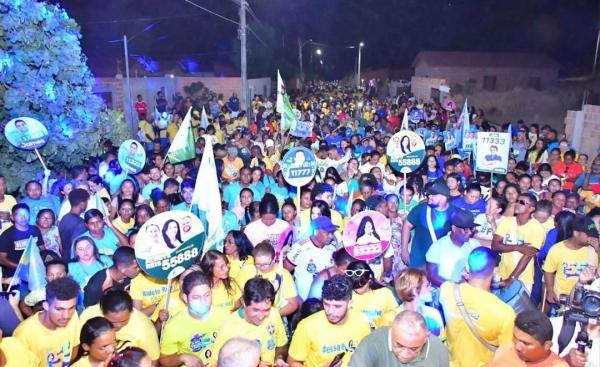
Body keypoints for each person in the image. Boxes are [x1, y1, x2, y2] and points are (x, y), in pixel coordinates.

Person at [439, 247, 516, 367]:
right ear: (495, 271)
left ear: (467, 268)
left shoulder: (447, 290)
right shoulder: (505, 313)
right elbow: (507, 358)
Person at [287, 275, 371, 367]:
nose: (330, 311)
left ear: (349, 304)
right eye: (326, 304)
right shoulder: (307, 326)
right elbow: (292, 362)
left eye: (337, 306)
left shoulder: (362, 321)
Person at [211, 277, 288, 366]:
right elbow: (216, 363)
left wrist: (279, 358)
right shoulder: (229, 327)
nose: (261, 316)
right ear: (243, 302)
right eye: (255, 310)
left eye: (266, 310)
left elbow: (281, 345)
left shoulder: (274, 314)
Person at [160, 271, 229, 367]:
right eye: (196, 297)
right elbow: (164, 360)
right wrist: (183, 357)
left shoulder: (224, 315)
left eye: (207, 295)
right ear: (185, 298)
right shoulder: (173, 326)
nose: (203, 302)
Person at [79, 289, 160, 364]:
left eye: (124, 320)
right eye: (113, 321)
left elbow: (152, 361)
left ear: (131, 311)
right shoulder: (88, 315)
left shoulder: (145, 328)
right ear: (102, 313)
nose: (118, 326)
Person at [13, 277, 80, 366]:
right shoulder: (24, 334)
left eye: (71, 308)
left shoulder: (74, 315)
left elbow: (75, 346)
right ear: (46, 306)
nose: (66, 316)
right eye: (59, 309)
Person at [349, 310, 450, 367]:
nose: (405, 354)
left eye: (414, 349)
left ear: (426, 338)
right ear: (391, 330)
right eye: (399, 345)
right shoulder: (372, 343)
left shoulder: (438, 350)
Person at [492, 193, 546, 293]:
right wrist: (518, 247)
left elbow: (527, 256)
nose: (517, 204)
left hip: (522, 278)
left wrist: (512, 278)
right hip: (502, 274)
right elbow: (495, 246)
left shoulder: (537, 228)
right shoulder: (507, 221)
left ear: (531, 208)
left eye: (522, 202)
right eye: (517, 201)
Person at [401, 178, 457, 268]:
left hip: (441, 261)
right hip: (419, 259)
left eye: (433, 195)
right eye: (429, 194)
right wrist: (404, 250)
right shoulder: (421, 209)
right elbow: (407, 225)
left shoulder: (455, 213)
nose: (429, 196)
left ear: (444, 197)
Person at [543, 217, 599, 305]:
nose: (592, 238)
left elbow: (596, 275)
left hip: (584, 301)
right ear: (576, 233)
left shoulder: (593, 250)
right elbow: (548, 271)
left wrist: (598, 250)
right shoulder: (557, 250)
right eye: (588, 235)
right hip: (561, 299)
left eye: (593, 234)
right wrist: (550, 291)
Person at [237, 241, 300, 317]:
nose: (261, 267)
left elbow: (293, 304)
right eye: (258, 264)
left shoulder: (283, 274)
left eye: (265, 264)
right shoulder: (247, 270)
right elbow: (239, 296)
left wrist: (272, 316)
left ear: (273, 260)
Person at [488, 309, 568, 366]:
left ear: (547, 345)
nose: (517, 347)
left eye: (525, 343)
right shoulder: (504, 352)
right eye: (515, 338)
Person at [285, 216, 339, 300]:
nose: (331, 236)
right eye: (327, 232)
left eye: (332, 232)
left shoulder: (332, 248)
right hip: (304, 300)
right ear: (316, 231)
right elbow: (285, 270)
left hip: (326, 299)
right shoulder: (300, 248)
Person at [425, 209, 481, 286]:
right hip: (444, 293)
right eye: (465, 229)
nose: (470, 233)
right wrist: (455, 287)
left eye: (471, 229)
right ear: (454, 228)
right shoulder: (438, 247)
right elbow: (432, 276)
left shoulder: (474, 245)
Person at [344, 260, 398, 328]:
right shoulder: (348, 296)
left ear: (369, 278)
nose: (357, 290)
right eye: (354, 287)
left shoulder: (385, 293)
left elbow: (395, 315)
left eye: (361, 287)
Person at [0, 203, 44, 278]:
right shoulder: (7, 235)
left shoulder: (35, 229)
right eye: (19, 215)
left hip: (36, 270)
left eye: (26, 214)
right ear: (12, 217)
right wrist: (21, 268)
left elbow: (42, 248)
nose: (23, 217)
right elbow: (1, 259)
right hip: (15, 273)